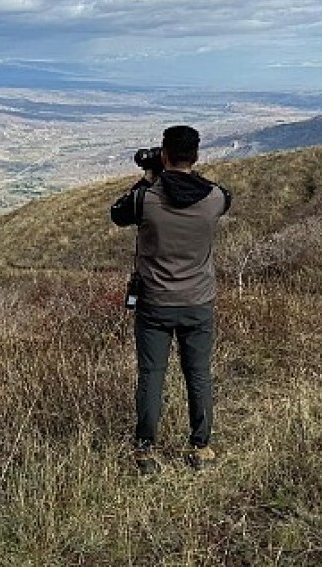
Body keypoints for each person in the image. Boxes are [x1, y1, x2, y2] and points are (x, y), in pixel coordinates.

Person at [109, 125, 232, 474]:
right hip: (198, 302)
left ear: (164, 155)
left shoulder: (145, 200)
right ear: (196, 155)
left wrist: (150, 177)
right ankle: (200, 447)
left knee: (151, 374)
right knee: (199, 374)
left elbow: (118, 214)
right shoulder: (214, 199)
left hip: (155, 304)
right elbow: (221, 193)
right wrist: (183, 172)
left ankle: (145, 451)